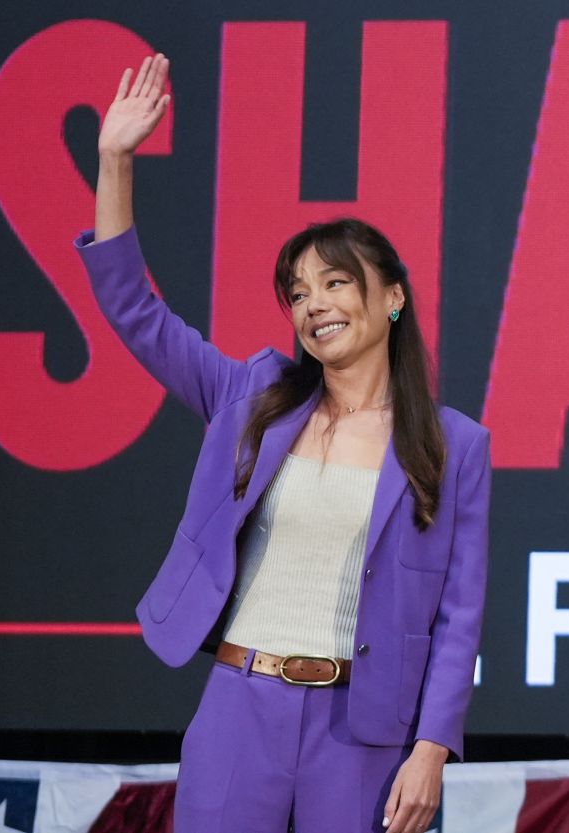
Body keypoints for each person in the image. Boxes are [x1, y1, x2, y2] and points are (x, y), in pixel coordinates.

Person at [76, 54, 490, 833]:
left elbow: (460, 613)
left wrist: (432, 747)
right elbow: (134, 309)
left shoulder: (452, 444)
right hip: (241, 706)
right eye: (298, 292)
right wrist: (115, 160)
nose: (313, 305)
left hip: (362, 730)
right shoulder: (252, 399)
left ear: (392, 297)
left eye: (335, 282)